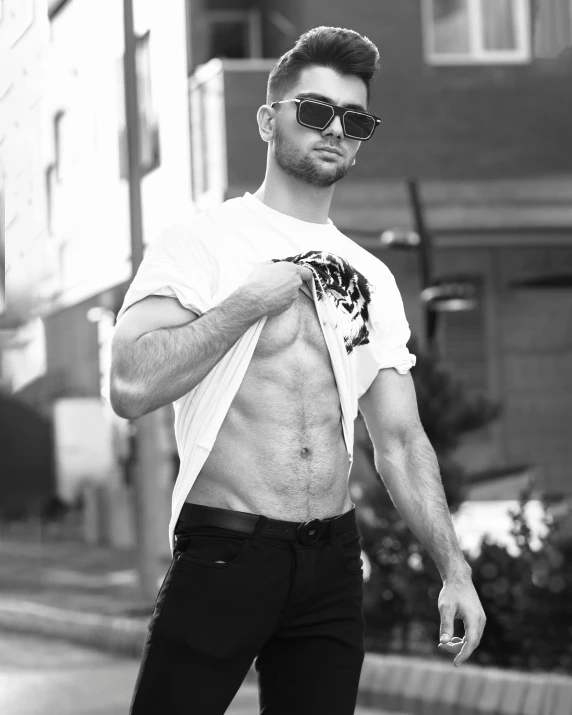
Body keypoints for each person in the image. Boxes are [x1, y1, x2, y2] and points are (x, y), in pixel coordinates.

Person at [111, 26, 486, 715]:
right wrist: (245, 304)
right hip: (226, 549)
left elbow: (400, 440)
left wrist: (453, 570)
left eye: (355, 119)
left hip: (330, 564)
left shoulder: (370, 276)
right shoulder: (201, 243)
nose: (335, 130)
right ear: (268, 118)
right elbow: (130, 385)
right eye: (315, 111)